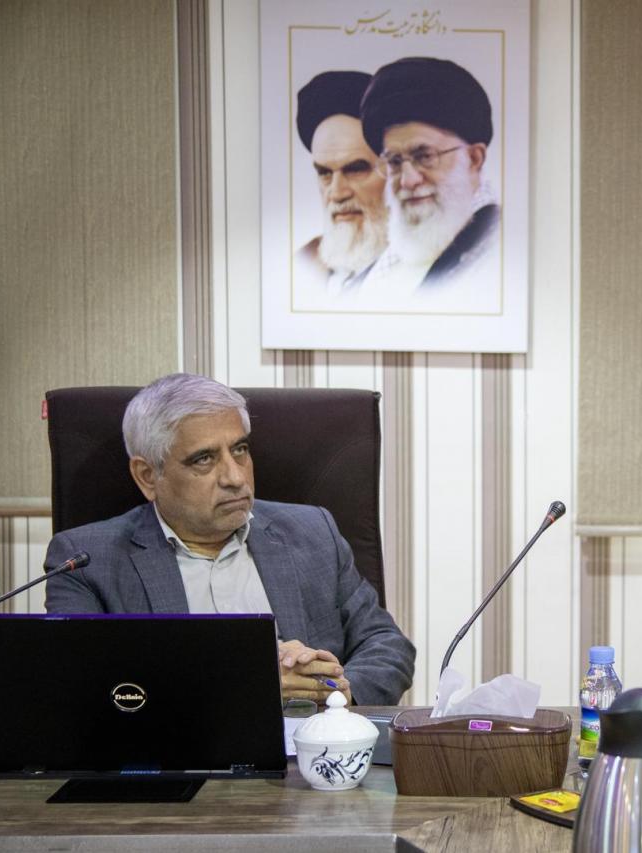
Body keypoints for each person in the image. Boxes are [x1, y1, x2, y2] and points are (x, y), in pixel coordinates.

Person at [44, 373, 415, 707]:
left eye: (240, 450)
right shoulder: (87, 561)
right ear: (147, 476)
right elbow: (84, 690)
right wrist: (252, 685)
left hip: (309, 753)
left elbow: (387, 644)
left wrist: (336, 693)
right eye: (204, 459)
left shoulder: (313, 532)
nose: (235, 477)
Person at [356, 56, 500, 307]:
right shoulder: (368, 277)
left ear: (474, 159)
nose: (408, 180)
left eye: (425, 157)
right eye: (395, 162)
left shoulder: (498, 254)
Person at [293, 70, 389, 302]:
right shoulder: (302, 265)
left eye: (355, 169)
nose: (337, 193)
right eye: (325, 173)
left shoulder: (440, 268)